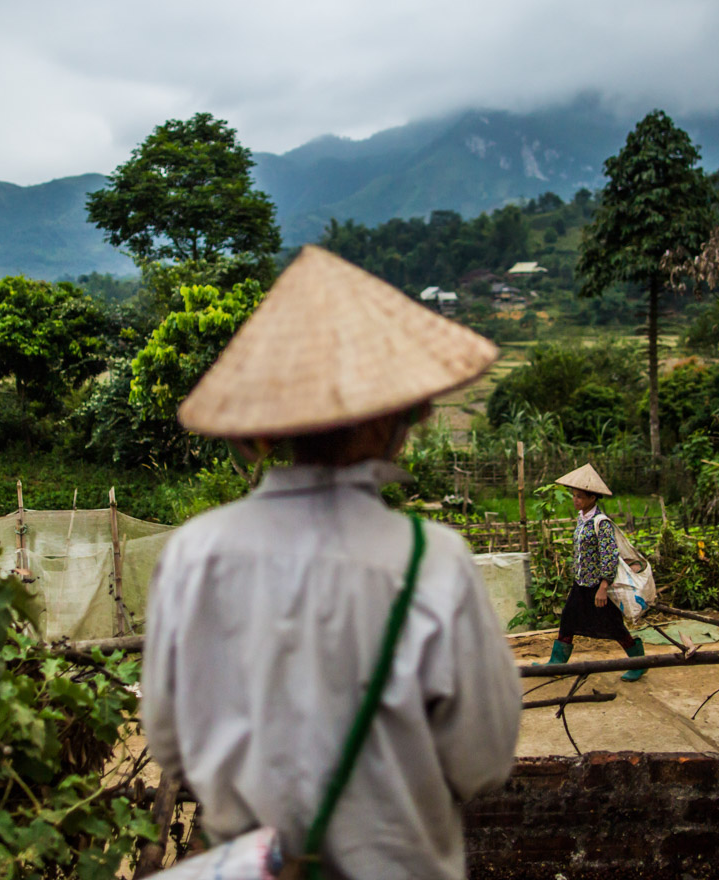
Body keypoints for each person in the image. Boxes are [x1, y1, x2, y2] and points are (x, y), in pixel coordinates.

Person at [142, 246, 523, 880]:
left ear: (268, 426)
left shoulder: (195, 553)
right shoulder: (432, 564)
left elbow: (169, 741)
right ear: (397, 415)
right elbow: (481, 760)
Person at [536, 464, 646, 682]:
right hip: (581, 584)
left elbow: (609, 555)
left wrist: (603, 586)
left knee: (614, 626)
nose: (575, 500)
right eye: (574, 495)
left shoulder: (601, 523)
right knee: (568, 619)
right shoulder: (582, 519)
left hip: (597, 586)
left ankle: (639, 663)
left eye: (580, 496)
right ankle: (556, 664)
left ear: (592, 498)